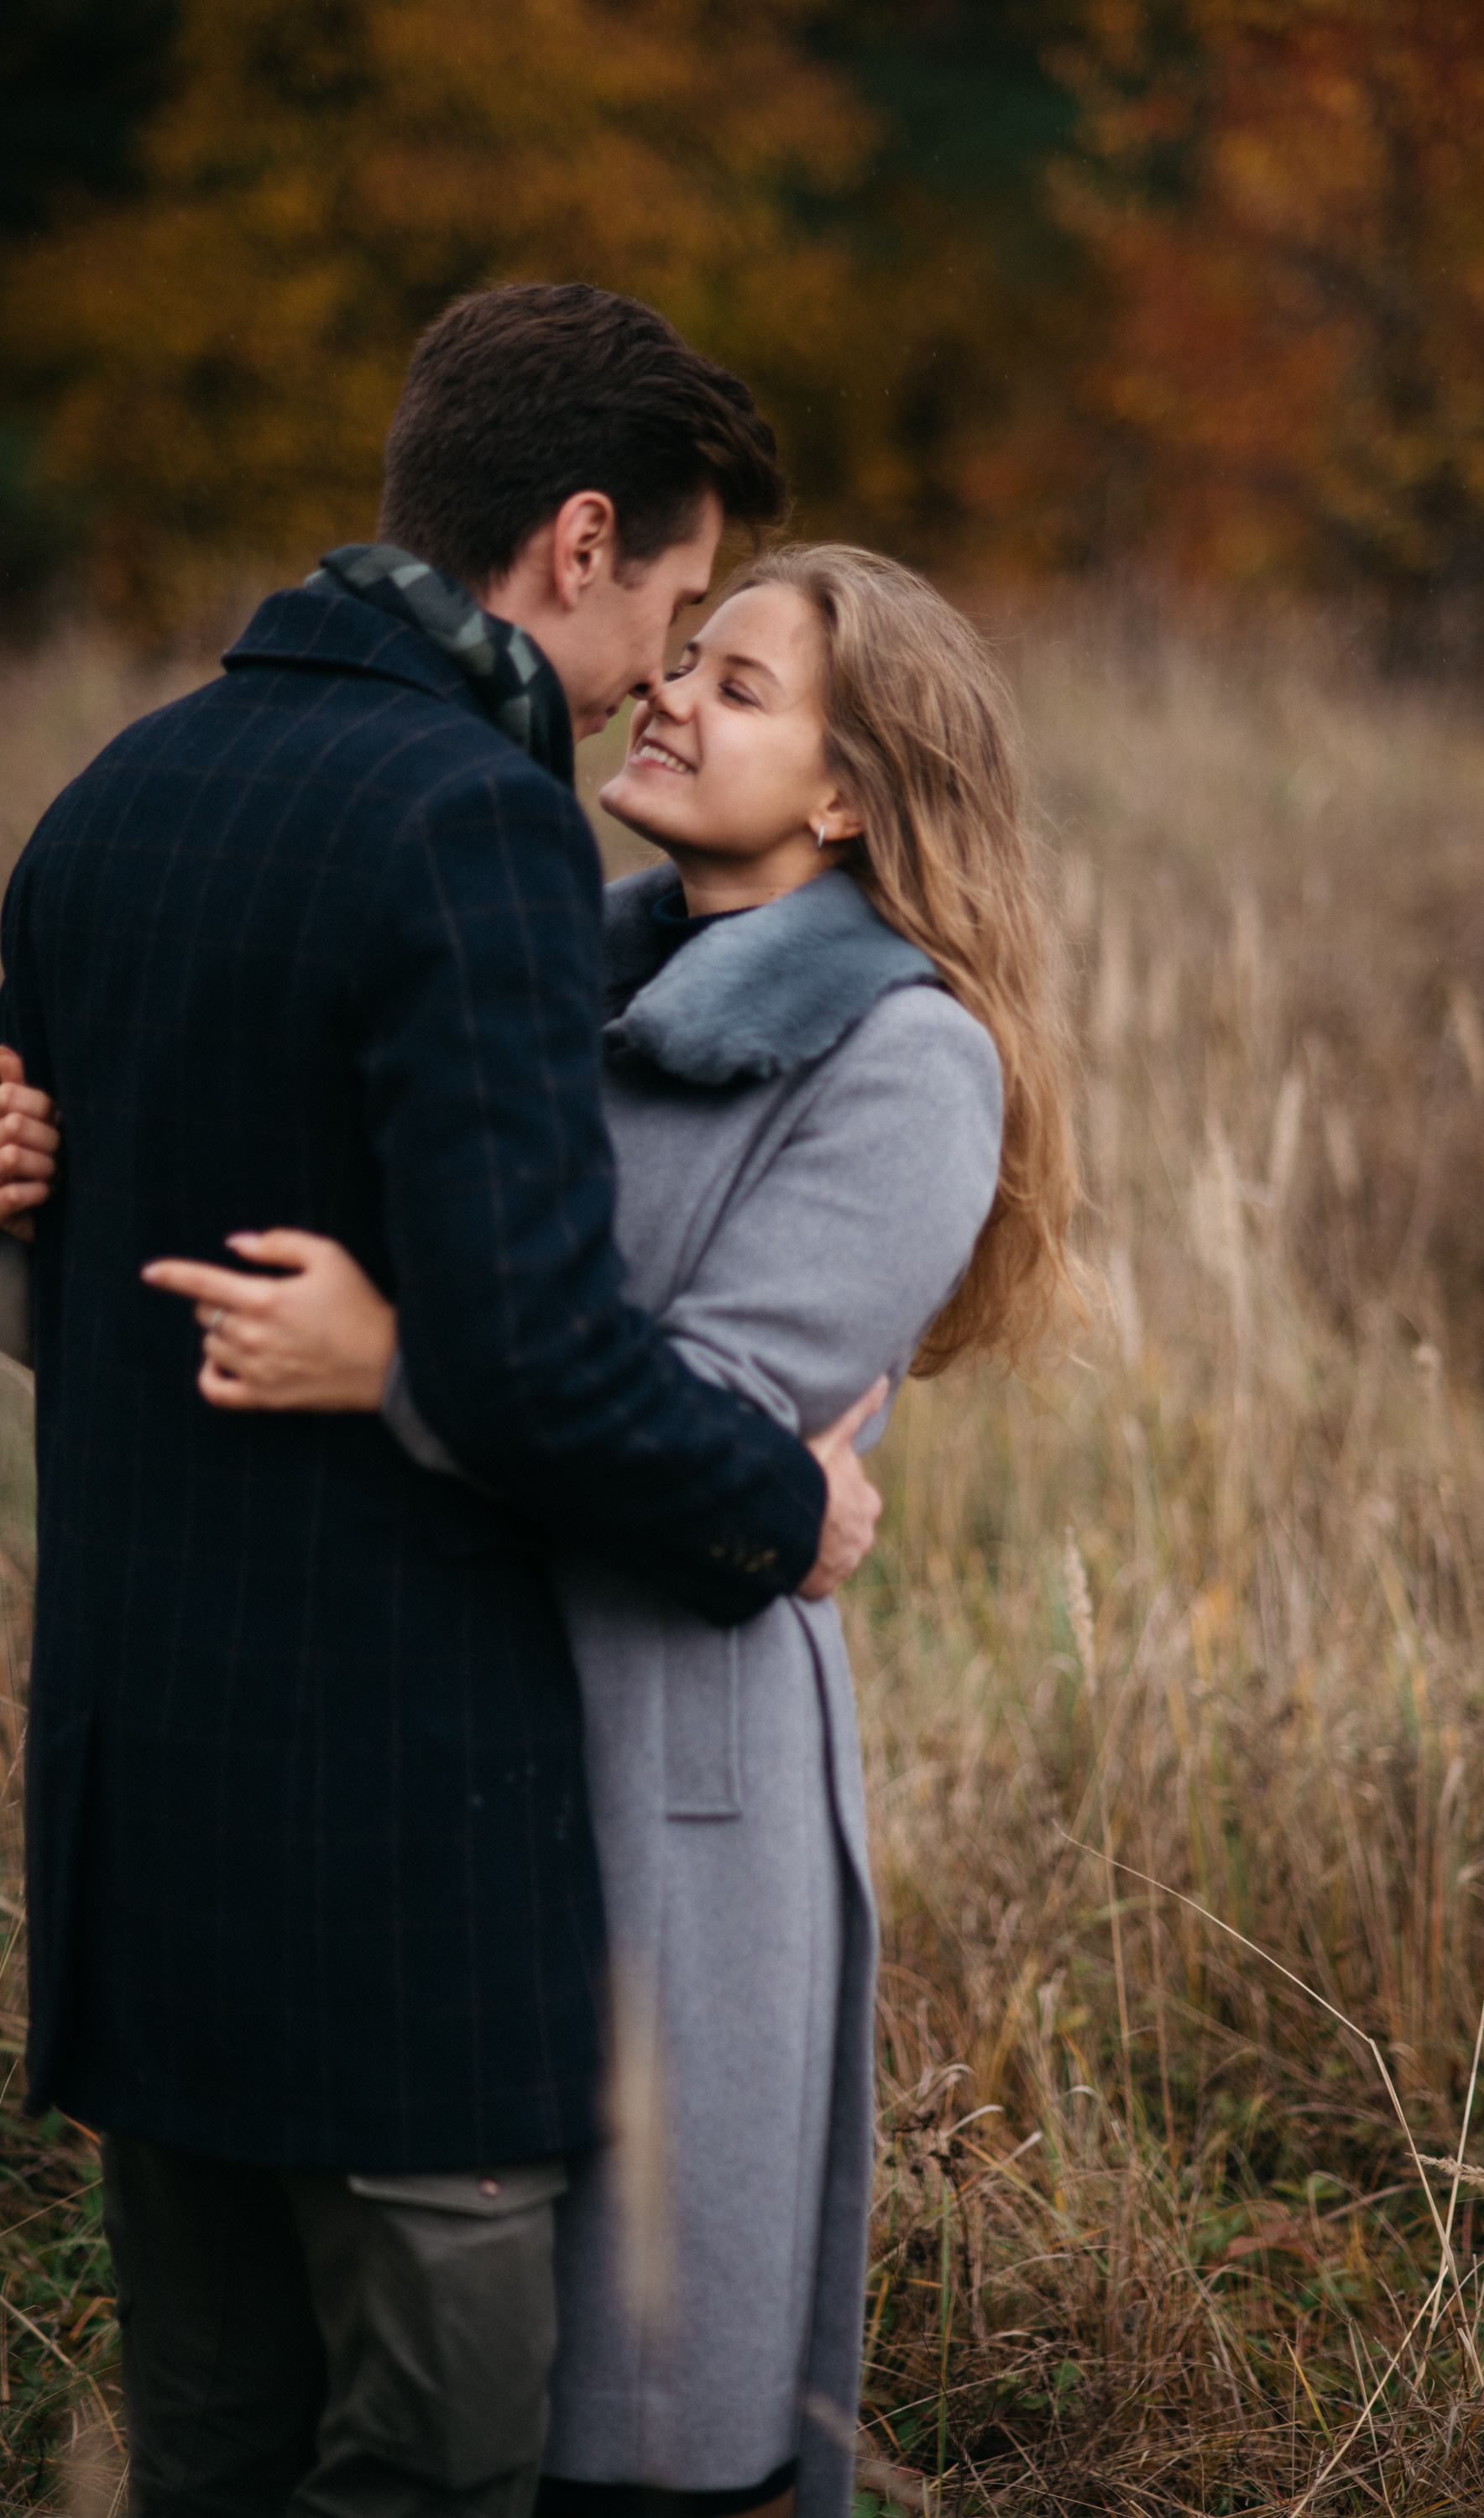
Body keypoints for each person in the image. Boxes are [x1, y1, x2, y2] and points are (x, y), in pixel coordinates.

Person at [0, 286, 889, 2518]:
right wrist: (779, 1509)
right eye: (673, 608)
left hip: (148, 1885)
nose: (653, 681)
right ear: (578, 542)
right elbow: (531, 1362)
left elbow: (79, 1285)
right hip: (389, 1908)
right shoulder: (469, 828)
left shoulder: (116, 794)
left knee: (207, 2465)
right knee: (431, 2473)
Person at [132, 546, 1081, 2518]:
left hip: (667, 1749)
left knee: (641, 2396)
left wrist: (393, 1361)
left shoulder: (906, 1062)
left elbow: (711, 1437)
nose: (665, 693)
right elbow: (296, 1262)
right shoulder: (534, 971)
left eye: (738, 687)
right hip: (431, 1711)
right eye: (683, 663)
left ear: (847, 795)